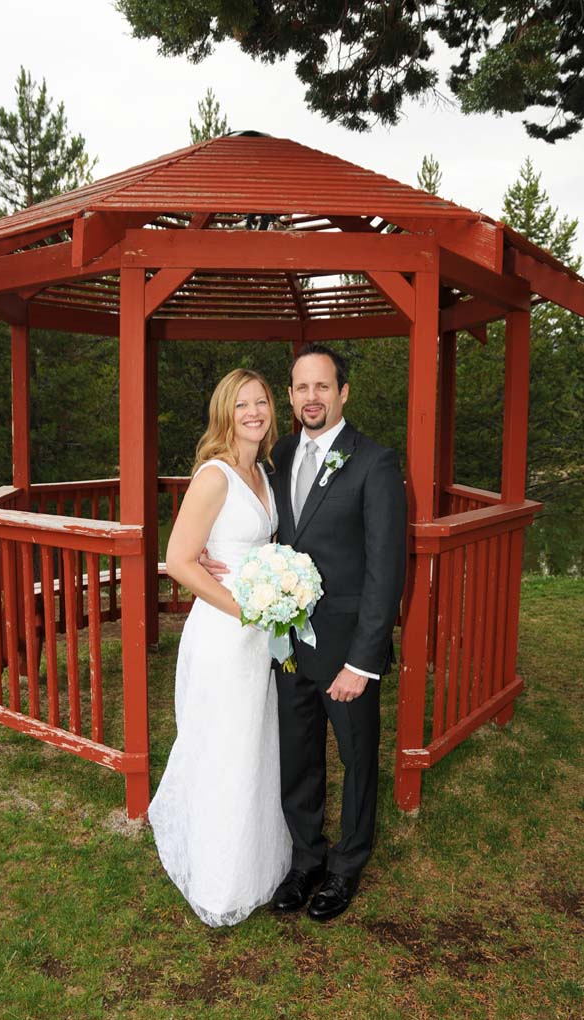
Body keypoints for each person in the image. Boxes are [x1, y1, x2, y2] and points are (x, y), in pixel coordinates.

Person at [203, 344, 407, 922]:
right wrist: (233, 569)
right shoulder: (280, 454)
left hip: (346, 651)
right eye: (300, 388)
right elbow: (265, 538)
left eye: (323, 386)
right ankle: (306, 859)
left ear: (343, 393)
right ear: (290, 396)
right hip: (285, 644)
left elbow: (385, 570)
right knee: (297, 757)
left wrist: (363, 662)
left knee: (358, 759)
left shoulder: (375, 462)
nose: (311, 397)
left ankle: (347, 866)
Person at [148, 368, 292, 927]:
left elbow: (259, 543)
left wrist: (278, 585)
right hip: (224, 634)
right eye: (242, 404)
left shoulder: (261, 471)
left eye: (261, 402)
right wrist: (245, 609)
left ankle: (255, 859)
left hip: (259, 635)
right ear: (224, 413)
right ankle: (219, 879)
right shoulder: (214, 476)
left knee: (254, 744)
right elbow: (180, 561)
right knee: (223, 746)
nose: (254, 412)